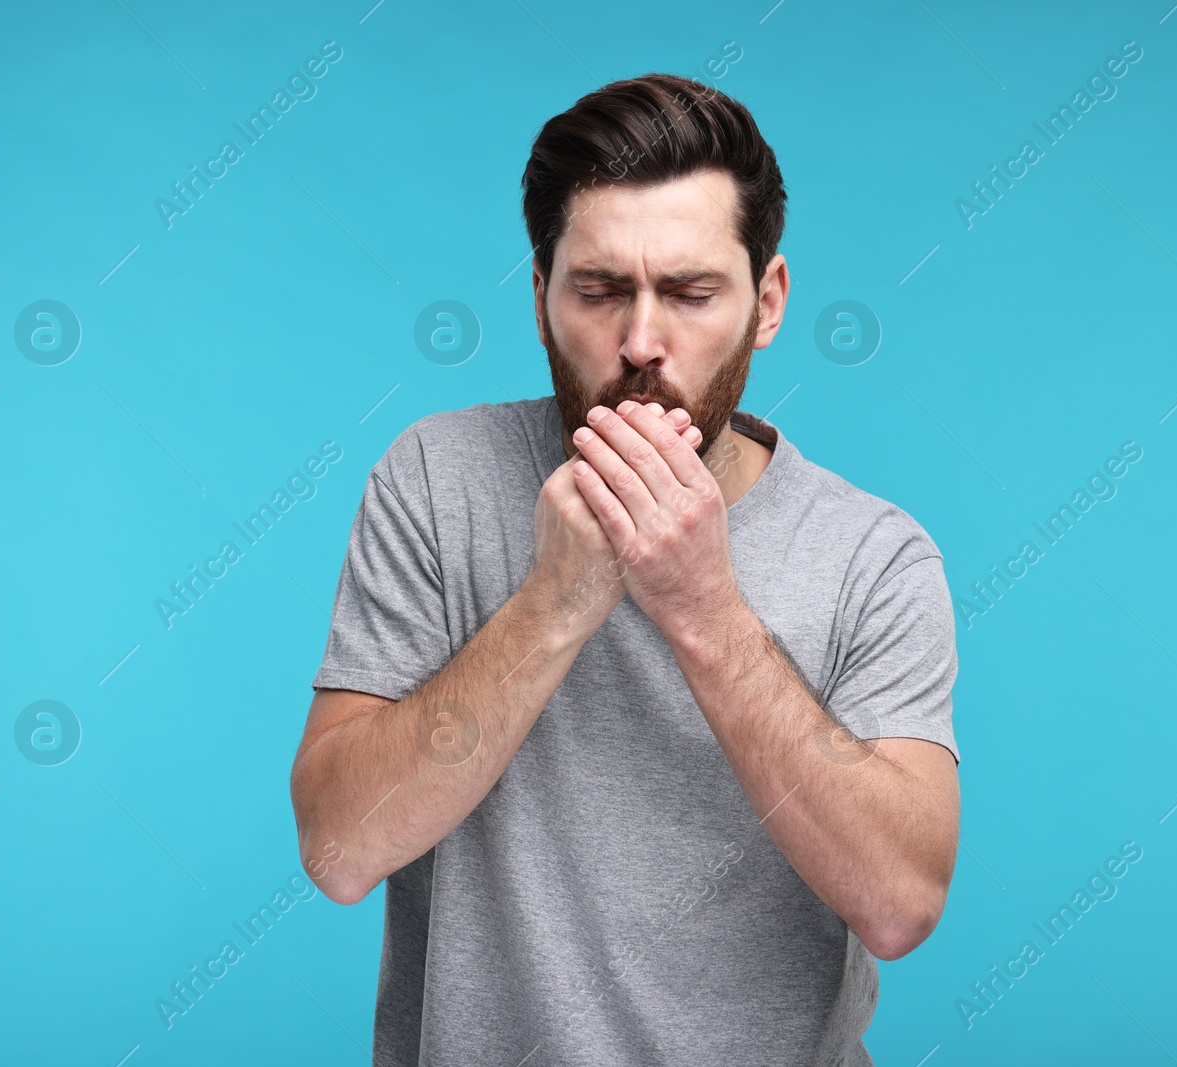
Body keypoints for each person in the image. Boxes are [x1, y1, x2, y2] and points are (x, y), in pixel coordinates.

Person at [289, 71, 961, 1066]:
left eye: (690, 293)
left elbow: (901, 902)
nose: (641, 342)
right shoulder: (435, 480)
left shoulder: (874, 555)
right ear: (538, 295)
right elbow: (340, 848)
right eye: (599, 291)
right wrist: (552, 604)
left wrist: (702, 609)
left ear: (766, 302)